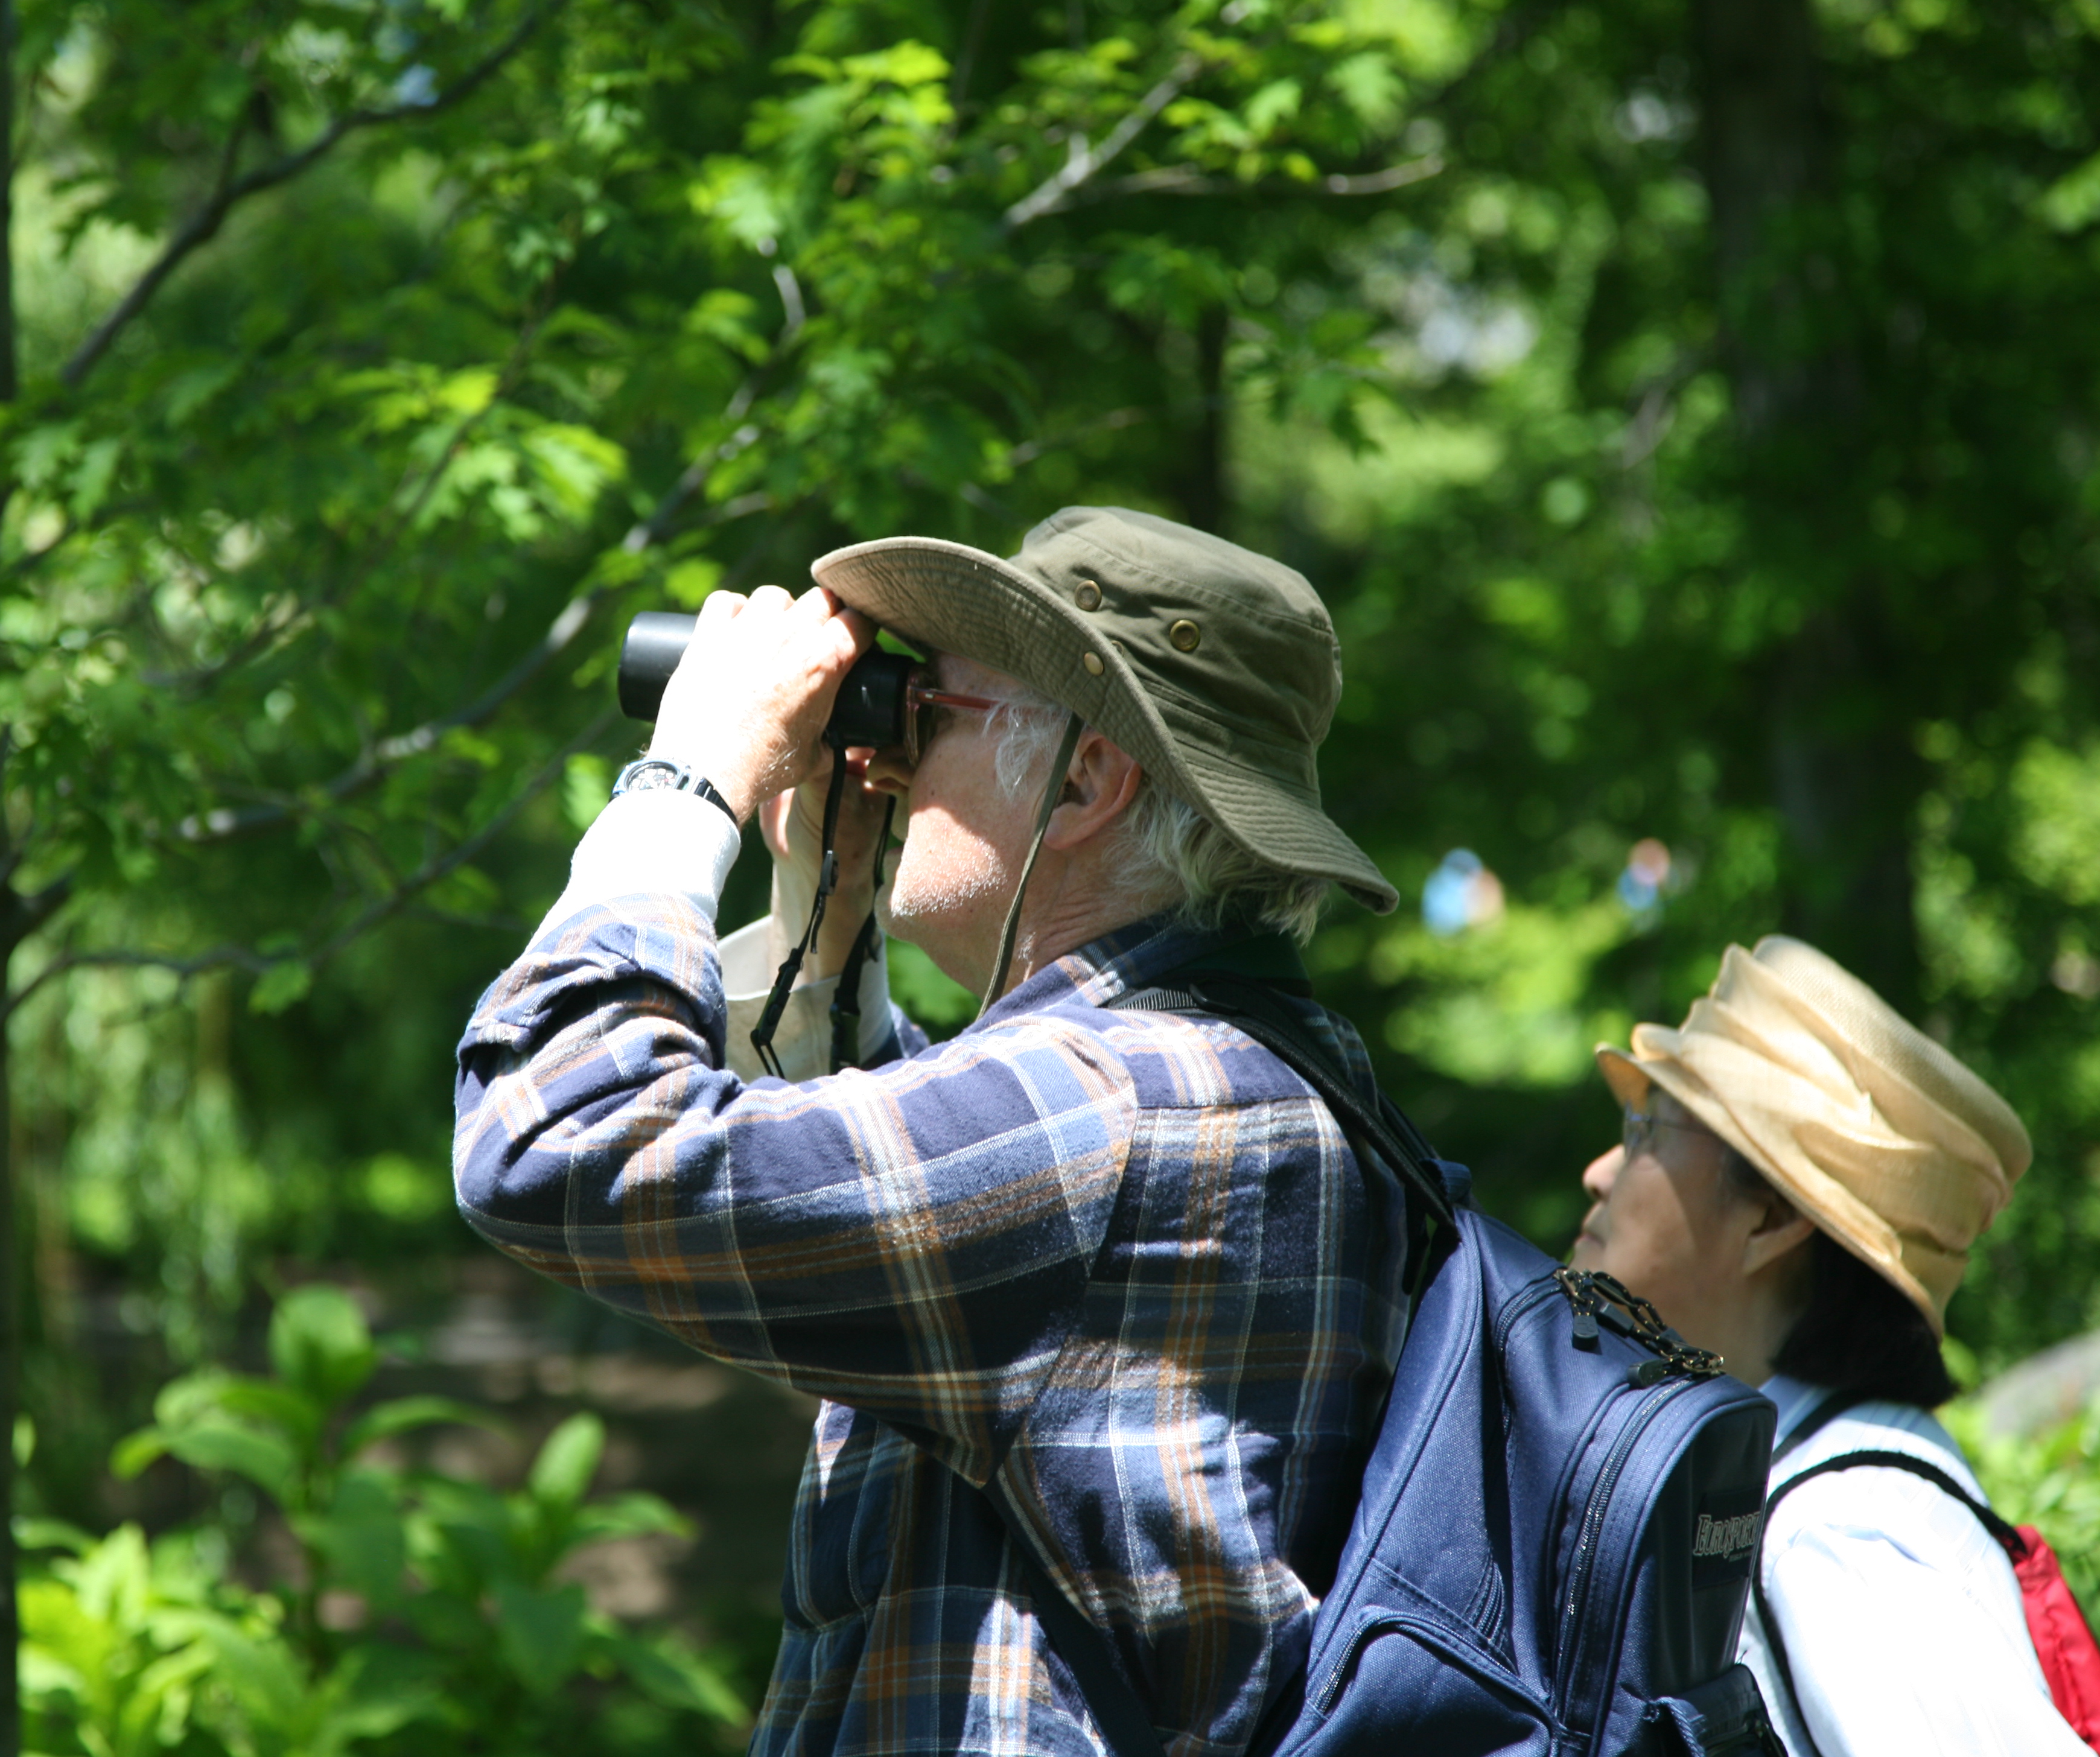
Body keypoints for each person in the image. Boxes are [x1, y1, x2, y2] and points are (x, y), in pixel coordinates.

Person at [452, 507, 1415, 1756]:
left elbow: (555, 1131)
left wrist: (692, 779)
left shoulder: (1116, 1111)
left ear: (1084, 778)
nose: (889, 761)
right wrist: (828, 916)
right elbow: (958, 1268)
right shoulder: (1253, 1070)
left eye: (933, 711)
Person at [1570, 935, 2088, 1757]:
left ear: (1770, 1220)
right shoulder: (1799, 1488)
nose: (1603, 1172)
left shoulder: (1838, 1534)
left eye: (1647, 1131)